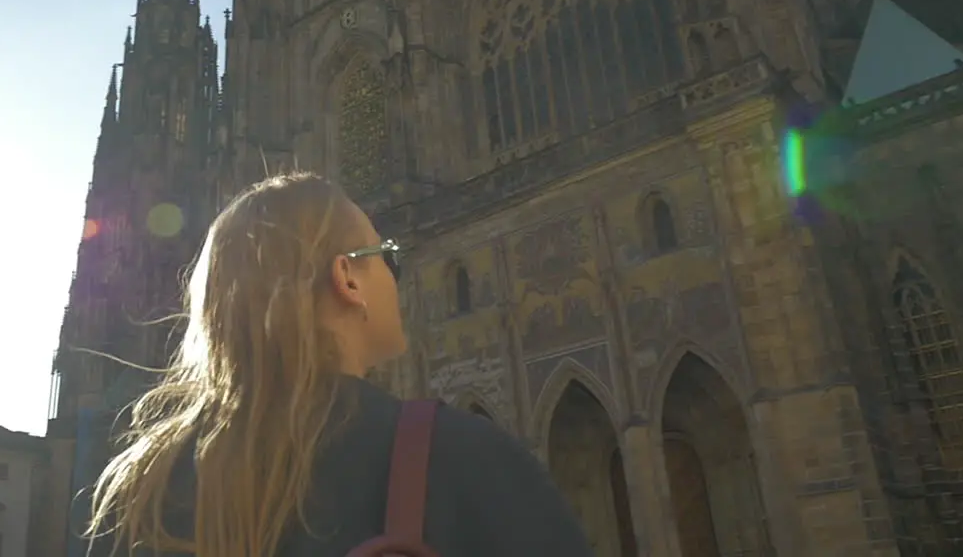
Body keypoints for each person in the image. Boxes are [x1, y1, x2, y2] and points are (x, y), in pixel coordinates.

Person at [88, 171, 594, 557]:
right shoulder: (464, 458)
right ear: (347, 278)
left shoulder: (137, 492)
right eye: (387, 254)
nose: (398, 273)